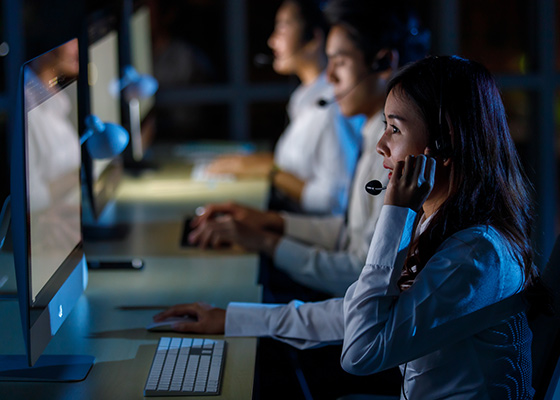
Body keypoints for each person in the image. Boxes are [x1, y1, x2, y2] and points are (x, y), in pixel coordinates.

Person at [154, 55, 539, 399]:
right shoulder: (443, 224)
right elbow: (358, 312)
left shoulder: (474, 256)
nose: (381, 147)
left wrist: (396, 212)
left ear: (443, 142)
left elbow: (361, 352)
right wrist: (234, 319)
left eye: (395, 129)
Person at [188, 0, 430, 300]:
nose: (328, 79)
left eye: (339, 63)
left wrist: (266, 241)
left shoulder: (394, 155)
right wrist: (268, 222)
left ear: (383, 63)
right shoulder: (371, 136)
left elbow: (360, 273)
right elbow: (350, 236)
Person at [205, 0, 353, 215]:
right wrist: (251, 164)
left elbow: (333, 201)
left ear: (313, 38)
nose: (272, 41)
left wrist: (269, 171)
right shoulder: (306, 99)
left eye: (283, 27)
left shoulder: (331, 108)